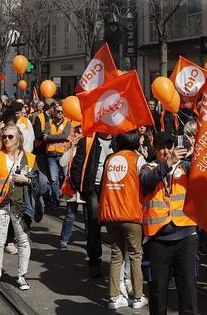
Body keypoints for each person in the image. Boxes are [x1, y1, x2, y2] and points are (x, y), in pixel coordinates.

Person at [0, 123, 38, 293]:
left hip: (21, 206)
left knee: (23, 241)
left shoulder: (30, 159)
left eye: (10, 136)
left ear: (19, 138)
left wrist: (26, 180)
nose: (6, 139)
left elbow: (40, 183)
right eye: (4, 136)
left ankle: (22, 276)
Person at [140, 133, 196, 315]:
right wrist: (168, 164)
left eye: (169, 147)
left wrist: (198, 153)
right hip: (158, 239)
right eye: (161, 148)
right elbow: (147, 182)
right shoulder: (147, 168)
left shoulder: (185, 167)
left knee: (188, 292)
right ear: (154, 149)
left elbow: (204, 173)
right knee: (157, 293)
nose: (166, 151)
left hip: (185, 237)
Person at [99, 130, 147, 310]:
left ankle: (113, 298)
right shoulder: (137, 159)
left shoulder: (110, 159)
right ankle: (137, 296)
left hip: (111, 214)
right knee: (135, 255)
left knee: (116, 254)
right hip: (131, 213)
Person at [69, 127, 114, 277]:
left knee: (115, 226)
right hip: (93, 189)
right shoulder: (87, 141)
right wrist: (81, 189)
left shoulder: (118, 140)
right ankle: (95, 261)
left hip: (113, 189)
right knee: (94, 226)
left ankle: (118, 264)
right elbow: (77, 164)